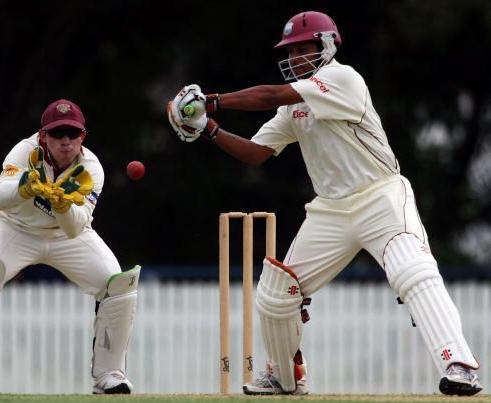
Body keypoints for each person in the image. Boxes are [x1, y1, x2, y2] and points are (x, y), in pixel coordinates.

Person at [167, 11, 482, 397]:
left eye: (304, 49)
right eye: (291, 51)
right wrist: (207, 130)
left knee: (411, 270)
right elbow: (256, 153)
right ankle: (284, 378)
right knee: (275, 291)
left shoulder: (342, 78)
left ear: (327, 46)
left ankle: (459, 365)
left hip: (381, 196)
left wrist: (209, 102)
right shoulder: (294, 108)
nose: (296, 57)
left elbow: (270, 95)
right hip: (330, 210)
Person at [0, 99, 140, 394]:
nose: (66, 142)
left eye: (73, 134)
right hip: (13, 226)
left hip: (64, 234)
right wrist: (25, 186)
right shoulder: (25, 151)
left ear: (83, 136)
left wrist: (60, 203)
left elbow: (74, 226)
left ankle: (109, 375)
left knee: (117, 284)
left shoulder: (91, 169)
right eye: (58, 134)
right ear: (43, 136)